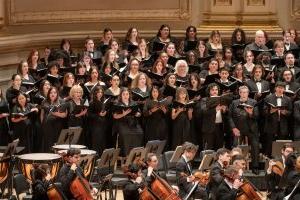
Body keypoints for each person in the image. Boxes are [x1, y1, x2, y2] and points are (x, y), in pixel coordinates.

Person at [228, 85, 260, 174]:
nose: (243, 94)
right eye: (242, 92)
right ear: (239, 93)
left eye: (245, 92)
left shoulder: (254, 102)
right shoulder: (234, 103)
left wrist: (251, 114)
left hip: (251, 129)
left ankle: (255, 167)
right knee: (235, 147)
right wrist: (233, 128)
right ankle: (235, 167)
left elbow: (257, 117)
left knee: (255, 146)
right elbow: (229, 117)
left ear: (248, 93)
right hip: (238, 129)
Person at [263, 81, 293, 156]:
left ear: (284, 89)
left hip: (283, 125)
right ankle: (268, 159)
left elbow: (290, 112)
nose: (280, 89)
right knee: (269, 144)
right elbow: (264, 112)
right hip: (271, 124)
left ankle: (281, 160)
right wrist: (271, 111)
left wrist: (285, 112)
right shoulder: (268, 98)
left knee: (281, 144)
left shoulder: (288, 99)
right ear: (275, 88)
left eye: (282, 88)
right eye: (279, 88)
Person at [112, 87, 143, 156]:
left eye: (127, 94)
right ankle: (126, 155)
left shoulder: (133, 103)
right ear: (121, 95)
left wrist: (137, 114)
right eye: (124, 94)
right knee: (125, 134)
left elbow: (139, 113)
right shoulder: (117, 103)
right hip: (121, 123)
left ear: (129, 95)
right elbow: (115, 116)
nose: (126, 96)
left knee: (140, 133)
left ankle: (136, 155)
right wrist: (123, 114)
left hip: (133, 122)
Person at [200, 83, 228, 150]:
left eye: (216, 90)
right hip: (209, 128)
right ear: (209, 91)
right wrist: (215, 110)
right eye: (213, 90)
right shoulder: (205, 100)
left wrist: (224, 110)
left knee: (219, 149)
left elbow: (225, 113)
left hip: (220, 127)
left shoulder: (221, 99)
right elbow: (204, 111)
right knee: (208, 149)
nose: (215, 91)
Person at [40, 87, 67, 152]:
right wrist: (42, 124)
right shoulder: (44, 101)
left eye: (54, 92)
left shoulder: (61, 101)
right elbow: (42, 114)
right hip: (47, 126)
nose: (53, 94)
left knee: (57, 143)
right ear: (48, 94)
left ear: (57, 94)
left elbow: (64, 115)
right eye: (51, 93)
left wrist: (54, 113)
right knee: (48, 143)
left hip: (57, 125)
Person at [87, 86, 108, 152]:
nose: (100, 94)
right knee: (96, 144)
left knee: (102, 143)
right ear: (95, 93)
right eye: (98, 92)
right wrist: (98, 114)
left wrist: (105, 113)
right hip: (95, 126)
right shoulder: (92, 103)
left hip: (103, 125)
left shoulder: (104, 102)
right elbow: (89, 115)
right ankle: (95, 160)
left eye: (101, 92)